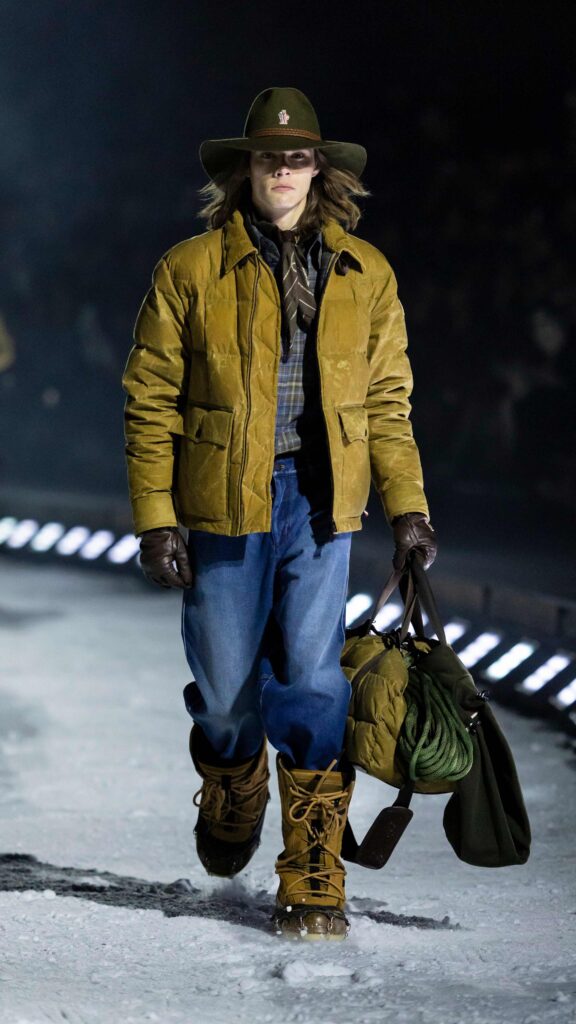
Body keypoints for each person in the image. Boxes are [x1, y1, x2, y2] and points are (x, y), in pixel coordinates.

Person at [122, 87, 437, 941]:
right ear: (247, 170)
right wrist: (156, 517)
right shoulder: (190, 268)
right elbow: (151, 400)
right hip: (224, 496)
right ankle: (235, 778)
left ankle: (312, 865)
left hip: (322, 501)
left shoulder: (365, 273)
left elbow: (387, 402)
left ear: (320, 171)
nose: (285, 171)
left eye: (298, 158)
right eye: (270, 157)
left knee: (312, 678)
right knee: (227, 691)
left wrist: (408, 508)